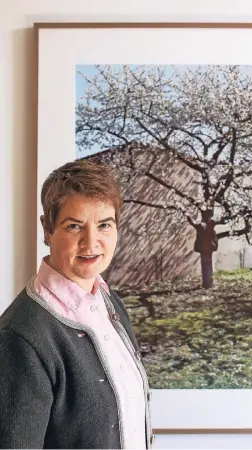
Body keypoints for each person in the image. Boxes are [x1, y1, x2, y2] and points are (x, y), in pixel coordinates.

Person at [0, 159, 154, 449]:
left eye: (104, 225)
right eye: (74, 226)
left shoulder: (110, 303)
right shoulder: (20, 337)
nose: (91, 242)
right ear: (47, 229)